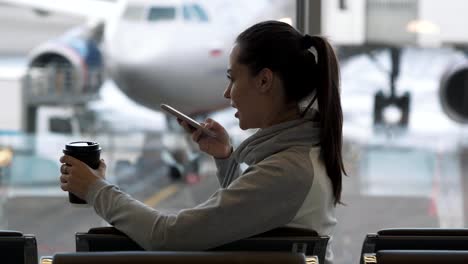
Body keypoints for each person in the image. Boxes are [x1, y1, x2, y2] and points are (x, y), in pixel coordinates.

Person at [59, 20, 346, 263]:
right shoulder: (304, 154)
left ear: (264, 81)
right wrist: (225, 158)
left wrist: (97, 189)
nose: (227, 93)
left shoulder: (288, 171)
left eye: (233, 78)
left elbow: (166, 236)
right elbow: (258, 210)